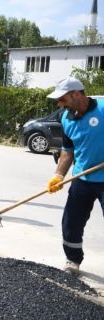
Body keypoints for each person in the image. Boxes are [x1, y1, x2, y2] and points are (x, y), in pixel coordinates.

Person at [46, 77, 104, 274]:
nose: (60, 104)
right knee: (71, 222)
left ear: (77, 94)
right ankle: (73, 260)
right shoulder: (66, 118)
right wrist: (58, 175)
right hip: (82, 179)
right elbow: (67, 150)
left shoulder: (103, 109)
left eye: (63, 99)